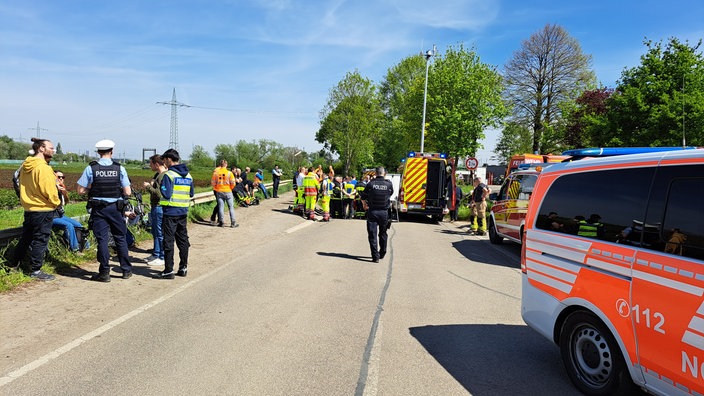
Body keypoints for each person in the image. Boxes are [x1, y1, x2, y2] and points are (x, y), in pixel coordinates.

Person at [77, 139, 133, 282]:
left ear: (98, 152)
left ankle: (104, 272)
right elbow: (127, 192)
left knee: (102, 239)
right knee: (120, 237)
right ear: (112, 151)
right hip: (115, 208)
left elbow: (80, 191)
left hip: (98, 209)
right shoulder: (120, 168)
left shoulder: (91, 168)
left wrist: (93, 188)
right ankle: (126, 270)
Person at [12, 138, 61, 280]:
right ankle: (36, 271)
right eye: (51, 148)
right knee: (41, 239)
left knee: (26, 238)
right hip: (43, 209)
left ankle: (14, 264)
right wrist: (56, 202)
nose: (53, 151)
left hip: (29, 208)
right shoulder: (43, 168)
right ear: (41, 148)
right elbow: (49, 191)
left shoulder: (26, 165)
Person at [153, 149, 194, 279]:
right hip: (183, 212)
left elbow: (166, 193)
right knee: (183, 241)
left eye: (164, 160)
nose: (164, 163)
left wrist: (158, 187)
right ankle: (183, 268)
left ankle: (168, 270)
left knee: (168, 241)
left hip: (170, 212)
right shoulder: (188, 176)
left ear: (169, 159)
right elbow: (191, 193)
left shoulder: (169, 175)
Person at [361, 167, 394, 263]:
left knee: (372, 235)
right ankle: (382, 252)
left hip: (373, 212)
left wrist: (364, 205)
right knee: (383, 233)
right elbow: (390, 194)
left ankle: (375, 256)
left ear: (375, 173)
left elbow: (363, 196)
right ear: (384, 174)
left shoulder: (370, 184)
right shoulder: (389, 184)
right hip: (384, 213)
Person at [52, 170, 86, 252]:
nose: (60, 179)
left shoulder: (62, 189)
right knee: (69, 225)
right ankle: (75, 249)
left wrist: (62, 192)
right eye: (58, 177)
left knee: (78, 225)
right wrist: (56, 189)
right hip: (52, 216)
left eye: (62, 177)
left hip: (60, 215)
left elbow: (64, 203)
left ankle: (84, 246)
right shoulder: (52, 189)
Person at [143, 154, 167, 265]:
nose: (150, 165)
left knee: (159, 233)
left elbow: (158, 194)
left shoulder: (162, 176)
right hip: (156, 207)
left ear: (156, 164)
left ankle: (161, 257)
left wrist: (148, 186)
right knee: (156, 232)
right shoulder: (158, 175)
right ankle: (156, 253)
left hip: (159, 207)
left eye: (151, 163)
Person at [211, 159, 238, 228]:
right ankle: (233, 223)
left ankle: (221, 222)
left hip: (219, 191)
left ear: (220, 165)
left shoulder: (216, 173)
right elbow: (233, 183)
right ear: (226, 165)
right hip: (228, 191)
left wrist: (217, 189)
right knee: (231, 207)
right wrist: (230, 188)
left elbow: (213, 183)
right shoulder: (229, 173)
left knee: (221, 207)